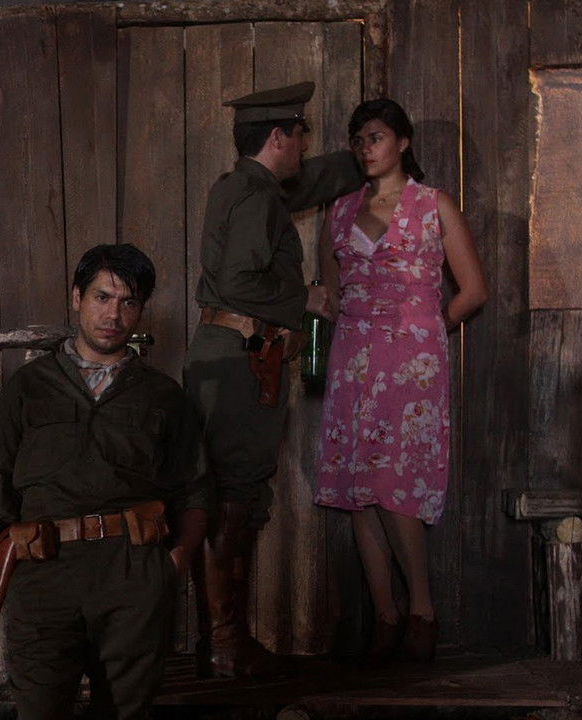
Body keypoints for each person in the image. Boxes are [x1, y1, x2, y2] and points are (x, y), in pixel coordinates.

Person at [0, 244, 207, 720]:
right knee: (39, 709)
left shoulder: (163, 395)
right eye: (102, 297)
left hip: (132, 571)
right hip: (44, 571)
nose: (113, 315)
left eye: (128, 302)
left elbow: (194, 488)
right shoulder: (29, 386)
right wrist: (15, 554)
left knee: (126, 711)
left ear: (140, 309)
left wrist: (172, 565)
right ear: (77, 297)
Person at [185, 81, 365, 679]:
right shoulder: (255, 197)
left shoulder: (244, 186)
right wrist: (304, 298)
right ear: (278, 138)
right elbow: (239, 282)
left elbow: (306, 182)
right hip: (240, 361)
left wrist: (364, 160)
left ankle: (223, 642)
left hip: (236, 357)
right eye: (300, 135)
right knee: (234, 498)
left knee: (233, 496)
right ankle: (224, 645)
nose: (305, 146)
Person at [313, 98, 487, 663]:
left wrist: (426, 330)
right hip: (352, 357)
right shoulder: (340, 211)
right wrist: (317, 303)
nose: (366, 148)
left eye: (377, 137)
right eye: (359, 139)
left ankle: (422, 610)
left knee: (396, 482)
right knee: (358, 488)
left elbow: (473, 290)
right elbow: (333, 293)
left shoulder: (433, 204)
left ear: (403, 142)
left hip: (412, 360)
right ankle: (385, 616)